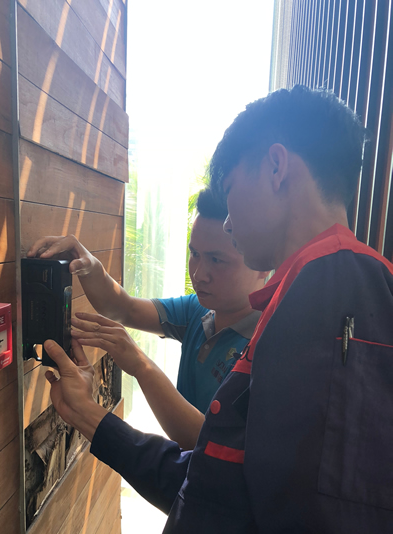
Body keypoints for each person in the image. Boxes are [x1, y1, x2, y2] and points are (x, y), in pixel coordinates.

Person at [43, 85, 393, 534]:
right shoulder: (301, 296)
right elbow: (218, 485)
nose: (228, 221)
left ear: (276, 167)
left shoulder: (339, 298)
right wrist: (91, 417)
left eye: (230, 191)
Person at [28, 189, 267, 449]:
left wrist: (141, 366)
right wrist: (91, 268)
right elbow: (126, 309)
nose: (199, 274)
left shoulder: (268, 347)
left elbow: (208, 445)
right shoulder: (198, 309)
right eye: (194, 254)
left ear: (262, 263)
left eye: (217, 260)